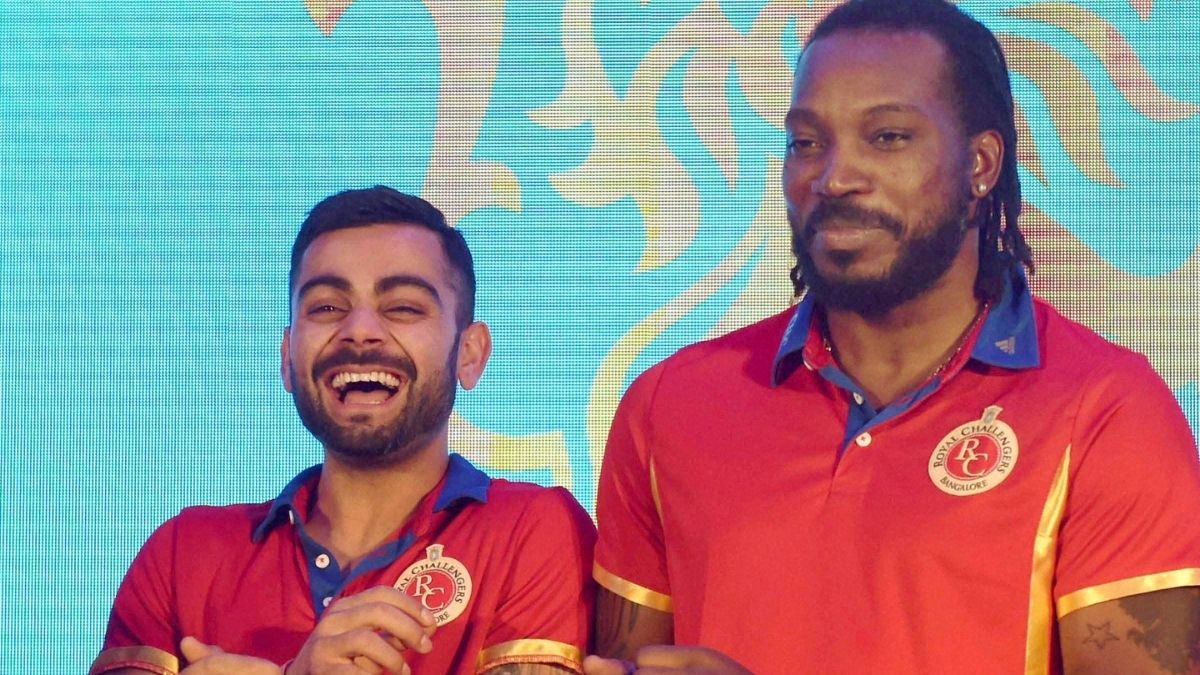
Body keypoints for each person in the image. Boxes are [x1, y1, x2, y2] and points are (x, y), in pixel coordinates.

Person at [583, 1, 1200, 673]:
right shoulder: (670, 404)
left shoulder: (1108, 411)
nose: (834, 178)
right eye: (805, 142)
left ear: (981, 164)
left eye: (887, 137)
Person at [92, 187, 596, 675]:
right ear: (288, 357)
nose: (359, 331)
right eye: (327, 308)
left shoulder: (531, 529)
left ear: (469, 354)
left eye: (403, 307)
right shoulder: (184, 553)